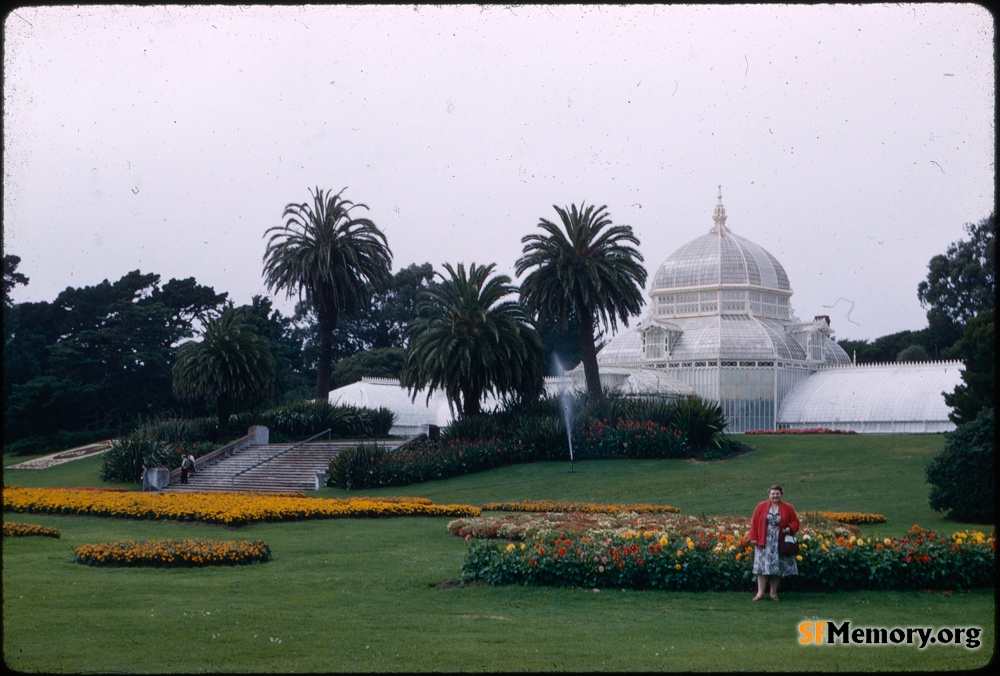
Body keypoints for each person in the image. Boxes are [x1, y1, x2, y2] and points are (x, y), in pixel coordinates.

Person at [748, 484, 799, 601]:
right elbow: (754, 522)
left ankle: (773, 593)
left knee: (776, 568)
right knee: (761, 567)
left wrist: (789, 528)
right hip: (763, 541)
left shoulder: (788, 507)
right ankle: (760, 593)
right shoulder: (761, 506)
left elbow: (795, 522)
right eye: (773, 494)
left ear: (781, 495)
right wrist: (753, 537)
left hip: (778, 542)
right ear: (769, 495)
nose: (775, 496)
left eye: (777, 493)